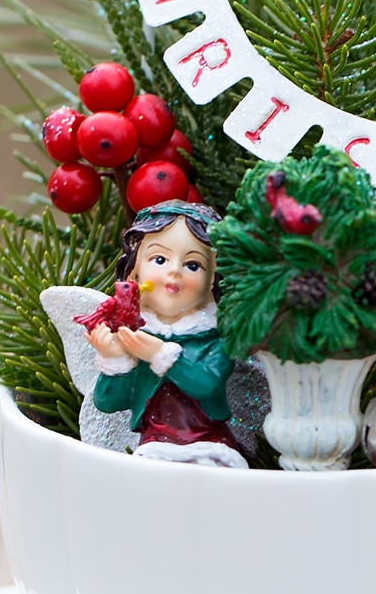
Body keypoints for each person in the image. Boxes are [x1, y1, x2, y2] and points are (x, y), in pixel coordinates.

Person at [41, 199, 248, 467]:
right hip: (153, 449)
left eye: (193, 265)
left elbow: (207, 384)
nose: (174, 270)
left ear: (211, 280)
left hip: (209, 445)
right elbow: (107, 402)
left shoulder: (217, 337)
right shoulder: (135, 334)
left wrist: (160, 354)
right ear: (136, 272)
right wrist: (116, 360)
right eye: (160, 259)